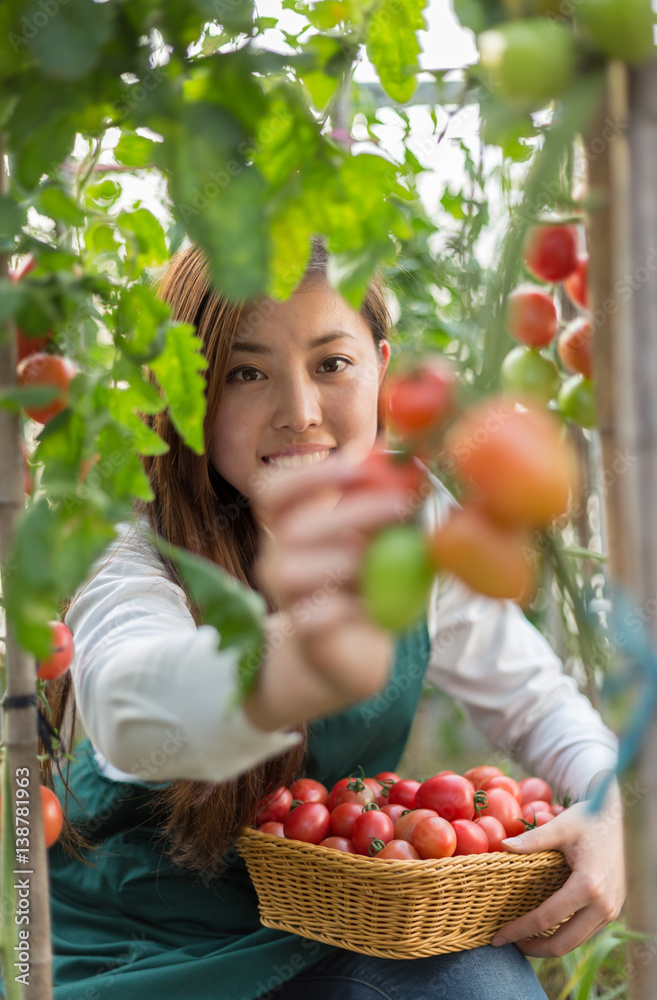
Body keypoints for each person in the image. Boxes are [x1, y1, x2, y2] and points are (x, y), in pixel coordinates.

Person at [39, 237, 624, 1000]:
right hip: (135, 945)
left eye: (331, 364)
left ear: (381, 367)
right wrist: (287, 668)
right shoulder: (129, 531)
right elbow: (128, 710)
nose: (300, 413)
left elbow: (534, 699)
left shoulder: (412, 520)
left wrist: (611, 811)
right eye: (246, 373)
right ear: (187, 392)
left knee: (485, 988)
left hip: (335, 925)